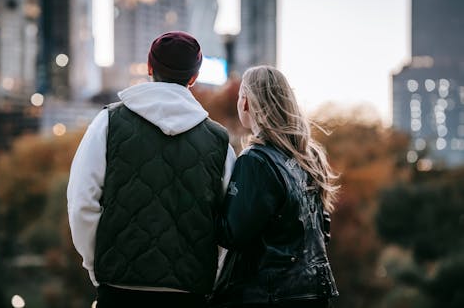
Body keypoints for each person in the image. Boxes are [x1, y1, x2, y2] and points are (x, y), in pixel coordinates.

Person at [67, 31, 236, 308]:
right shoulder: (219, 142)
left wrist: (97, 266)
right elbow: (228, 226)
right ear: (193, 77)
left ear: (149, 68)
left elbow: (81, 203)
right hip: (190, 292)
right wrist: (208, 274)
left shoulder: (108, 123)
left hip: (119, 288)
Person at [210, 66, 340, 308]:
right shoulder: (310, 156)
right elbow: (323, 229)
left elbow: (231, 233)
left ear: (246, 103)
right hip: (313, 291)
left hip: (265, 294)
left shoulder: (256, 161)